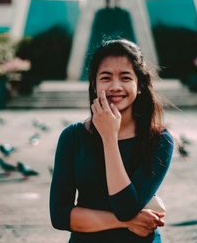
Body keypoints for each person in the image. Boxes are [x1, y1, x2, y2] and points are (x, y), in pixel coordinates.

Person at [50, 39, 173, 243]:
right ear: (95, 84)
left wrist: (109, 138)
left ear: (140, 85)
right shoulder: (73, 137)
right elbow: (60, 216)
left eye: (125, 77)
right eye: (106, 78)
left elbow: (126, 207)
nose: (116, 86)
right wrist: (126, 222)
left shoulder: (159, 140)